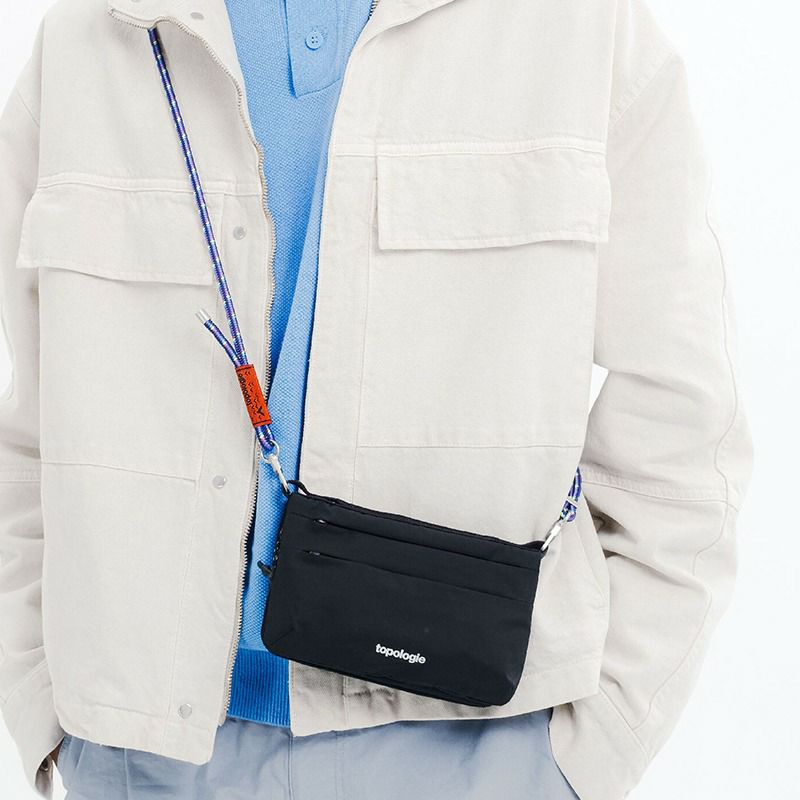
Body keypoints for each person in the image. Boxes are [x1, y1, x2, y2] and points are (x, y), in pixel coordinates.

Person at [0, 0, 753, 798]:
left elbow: (685, 424)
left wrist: (584, 757)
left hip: (478, 749)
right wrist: (47, 711)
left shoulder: (580, 29)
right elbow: (30, 422)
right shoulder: (96, 32)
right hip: (139, 757)